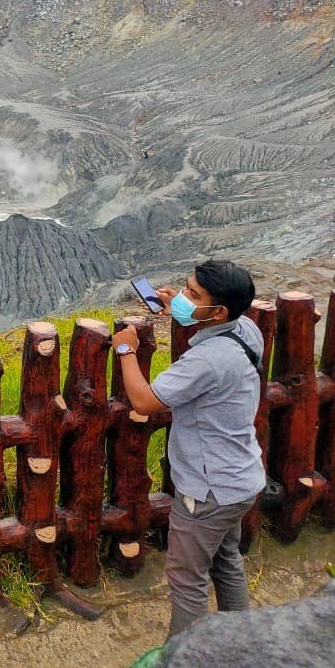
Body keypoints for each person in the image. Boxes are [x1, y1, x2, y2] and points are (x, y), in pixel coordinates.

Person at [112, 259, 266, 638]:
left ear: (218, 312)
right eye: (184, 288)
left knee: (187, 580)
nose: (182, 297)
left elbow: (145, 402)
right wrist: (180, 309)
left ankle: (184, 666)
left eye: (192, 295)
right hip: (242, 480)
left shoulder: (207, 360)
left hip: (207, 491)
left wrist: (126, 352)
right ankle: (237, 640)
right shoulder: (246, 330)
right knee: (226, 560)